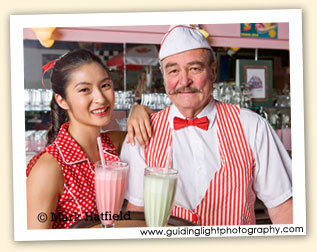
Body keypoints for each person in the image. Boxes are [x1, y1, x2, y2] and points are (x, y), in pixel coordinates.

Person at [121, 25, 293, 226]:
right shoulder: (142, 132)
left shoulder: (252, 126)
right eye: (174, 71)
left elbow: (283, 208)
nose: (184, 81)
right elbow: (136, 215)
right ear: (164, 77)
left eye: (194, 68)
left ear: (212, 71)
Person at [26, 49, 151, 229]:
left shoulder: (114, 145)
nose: (100, 98)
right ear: (62, 101)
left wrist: (139, 110)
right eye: (85, 89)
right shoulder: (50, 168)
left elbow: (158, 134)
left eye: (105, 86)